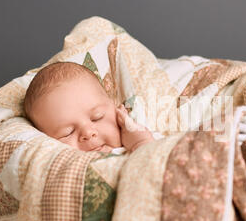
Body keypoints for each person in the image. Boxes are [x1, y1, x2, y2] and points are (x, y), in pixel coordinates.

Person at [23, 62, 154, 153]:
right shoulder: (66, 170)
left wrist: (140, 142)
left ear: (116, 109)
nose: (87, 133)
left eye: (97, 117)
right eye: (68, 132)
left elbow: (158, 163)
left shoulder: (141, 132)